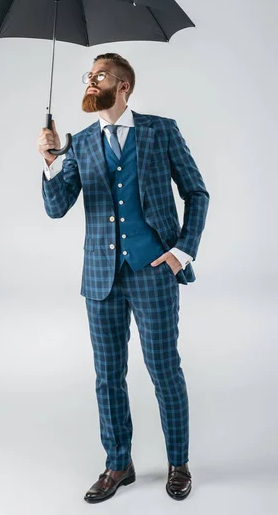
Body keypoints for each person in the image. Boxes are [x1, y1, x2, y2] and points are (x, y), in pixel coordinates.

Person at [37, 53, 210, 503]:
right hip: (101, 277)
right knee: (107, 375)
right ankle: (119, 463)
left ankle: (178, 463)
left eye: (99, 76)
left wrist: (180, 251)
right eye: (89, 76)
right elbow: (57, 207)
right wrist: (51, 159)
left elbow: (196, 191)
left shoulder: (161, 131)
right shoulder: (83, 143)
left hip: (154, 272)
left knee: (164, 369)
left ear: (124, 86)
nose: (91, 83)